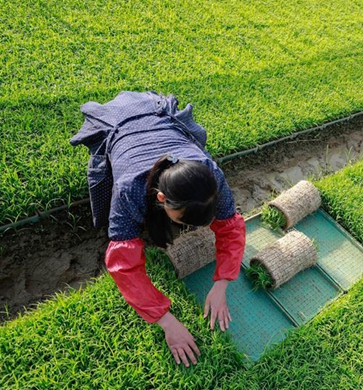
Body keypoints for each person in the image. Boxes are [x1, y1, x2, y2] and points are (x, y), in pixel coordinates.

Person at [70, 91, 246, 367]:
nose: (188, 229)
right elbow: (124, 266)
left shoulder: (211, 174)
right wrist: (166, 322)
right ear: (161, 199)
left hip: (157, 116)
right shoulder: (130, 189)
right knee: (122, 224)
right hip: (121, 123)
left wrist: (222, 282)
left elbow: (231, 227)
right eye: (183, 221)